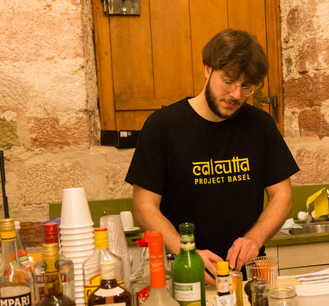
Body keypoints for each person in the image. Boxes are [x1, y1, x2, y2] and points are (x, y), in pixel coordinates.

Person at [125, 29, 299, 285]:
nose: (236, 95)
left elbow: (282, 196)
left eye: (246, 87)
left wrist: (254, 239)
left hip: (246, 276)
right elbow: (144, 207)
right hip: (183, 275)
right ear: (207, 70)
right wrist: (187, 254)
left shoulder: (260, 125)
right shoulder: (162, 126)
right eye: (228, 81)